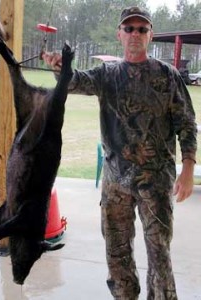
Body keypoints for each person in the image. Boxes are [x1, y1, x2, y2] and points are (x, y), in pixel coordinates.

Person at [43, 6, 197, 300]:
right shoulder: (107, 74)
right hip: (116, 185)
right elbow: (76, 81)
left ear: (150, 35)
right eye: (129, 29)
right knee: (117, 253)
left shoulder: (168, 76)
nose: (135, 34)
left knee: (159, 254)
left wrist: (188, 168)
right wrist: (58, 68)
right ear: (120, 34)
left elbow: (186, 123)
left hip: (156, 184)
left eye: (142, 29)